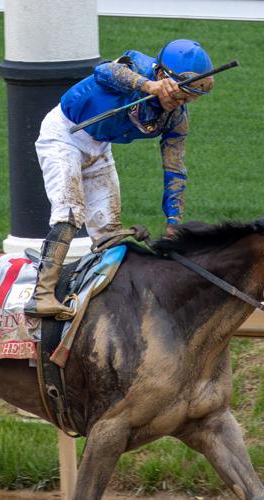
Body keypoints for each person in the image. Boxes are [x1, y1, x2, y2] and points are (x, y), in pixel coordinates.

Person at [24, 39, 215, 318]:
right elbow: (104, 71)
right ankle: (41, 295)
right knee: (69, 213)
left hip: (99, 148)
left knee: (109, 232)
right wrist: (148, 87)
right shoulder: (135, 64)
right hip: (64, 134)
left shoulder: (176, 119)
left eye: (187, 99)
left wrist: (174, 222)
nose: (180, 103)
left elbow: (175, 168)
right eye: (179, 95)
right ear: (162, 75)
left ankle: (102, 300)